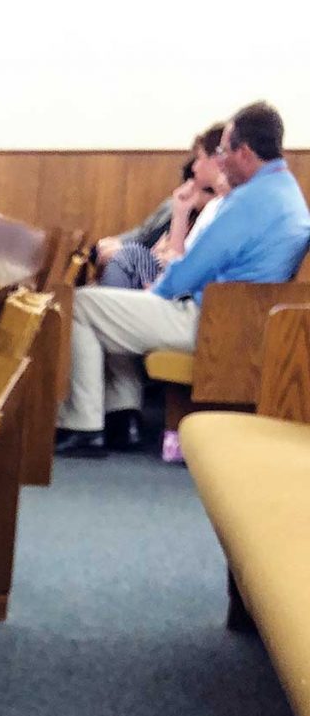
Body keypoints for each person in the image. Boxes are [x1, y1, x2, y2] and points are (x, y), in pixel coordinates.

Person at [56, 101, 310, 456]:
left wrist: (155, 291)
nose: (219, 160)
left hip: (209, 326)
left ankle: (84, 426)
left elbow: (188, 273)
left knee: (82, 304)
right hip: (239, 323)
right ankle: (119, 416)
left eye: (223, 150)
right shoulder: (288, 194)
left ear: (246, 153)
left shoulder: (249, 201)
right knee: (110, 310)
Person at [101, 124, 228, 292]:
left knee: (126, 259)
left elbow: (185, 270)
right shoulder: (213, 206)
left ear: (216, 160)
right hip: (174, 288)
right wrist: (181, 213)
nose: (194, 167)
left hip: (194, 300)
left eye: (199, 158)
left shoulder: (227, 209)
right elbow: (175, 259)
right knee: (127, 257)